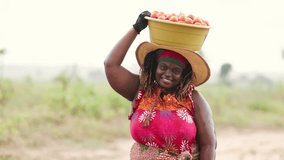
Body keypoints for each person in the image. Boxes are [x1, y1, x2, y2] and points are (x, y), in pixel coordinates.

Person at [104, 10, 217, 160]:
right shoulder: (140, 90)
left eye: (176, 70)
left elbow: (209, 144)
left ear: (184, 74)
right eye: (163, 67)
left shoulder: (193, 99)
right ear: (154, 66)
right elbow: (111, 65)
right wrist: (136, 29)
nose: (168, 73)